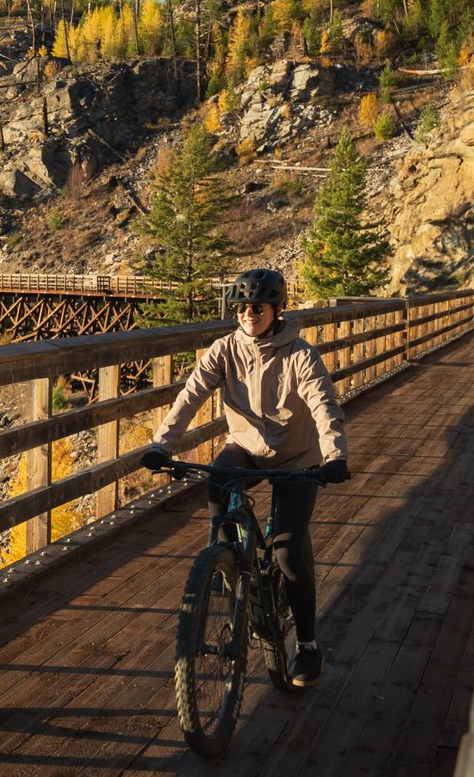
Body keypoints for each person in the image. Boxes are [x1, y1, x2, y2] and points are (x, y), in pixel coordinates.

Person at [140, 267, 350, 688]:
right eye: (242, 307)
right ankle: (224, 562)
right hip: (247, 448)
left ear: (277, 310)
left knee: (288, 553)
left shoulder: (300, 355)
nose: (248, 313)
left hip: (298, 458)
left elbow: (324, 404)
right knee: (218, 479)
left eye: (257, 306)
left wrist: (335, 455)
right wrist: (164, 443)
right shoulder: (225, 349)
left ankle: (307, 647)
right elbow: (191, 394)